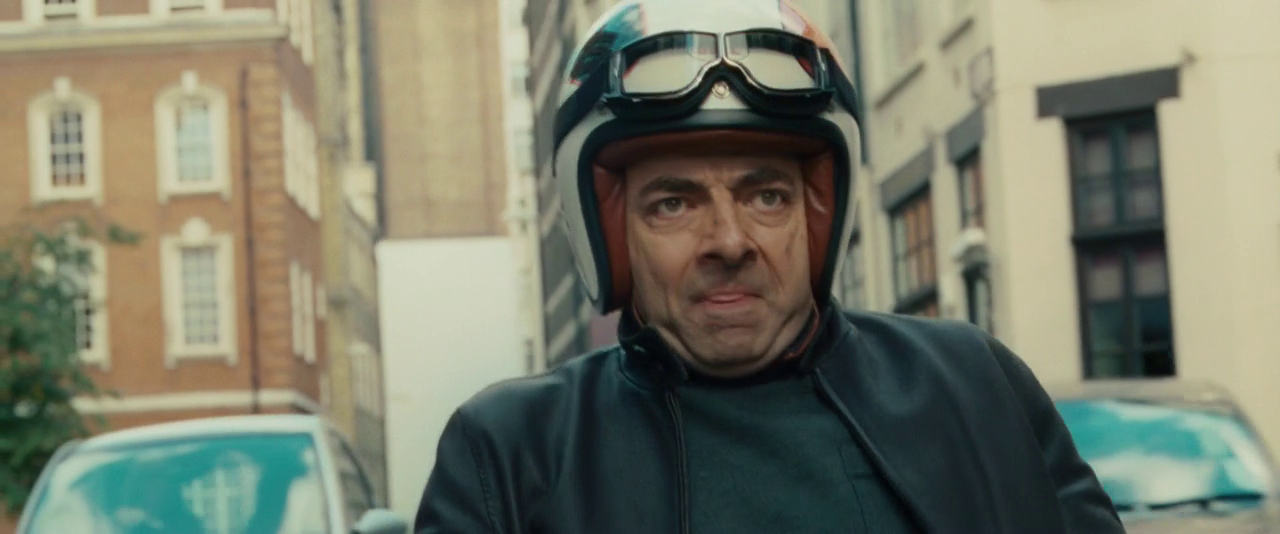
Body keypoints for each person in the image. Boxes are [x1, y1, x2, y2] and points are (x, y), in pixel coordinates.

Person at [414, 0, 1125, 532]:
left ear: (815, 219)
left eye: (766, 196)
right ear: (613, 236)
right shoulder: (511, 454)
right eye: (674, 204)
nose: (729, 241)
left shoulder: (974, 387)